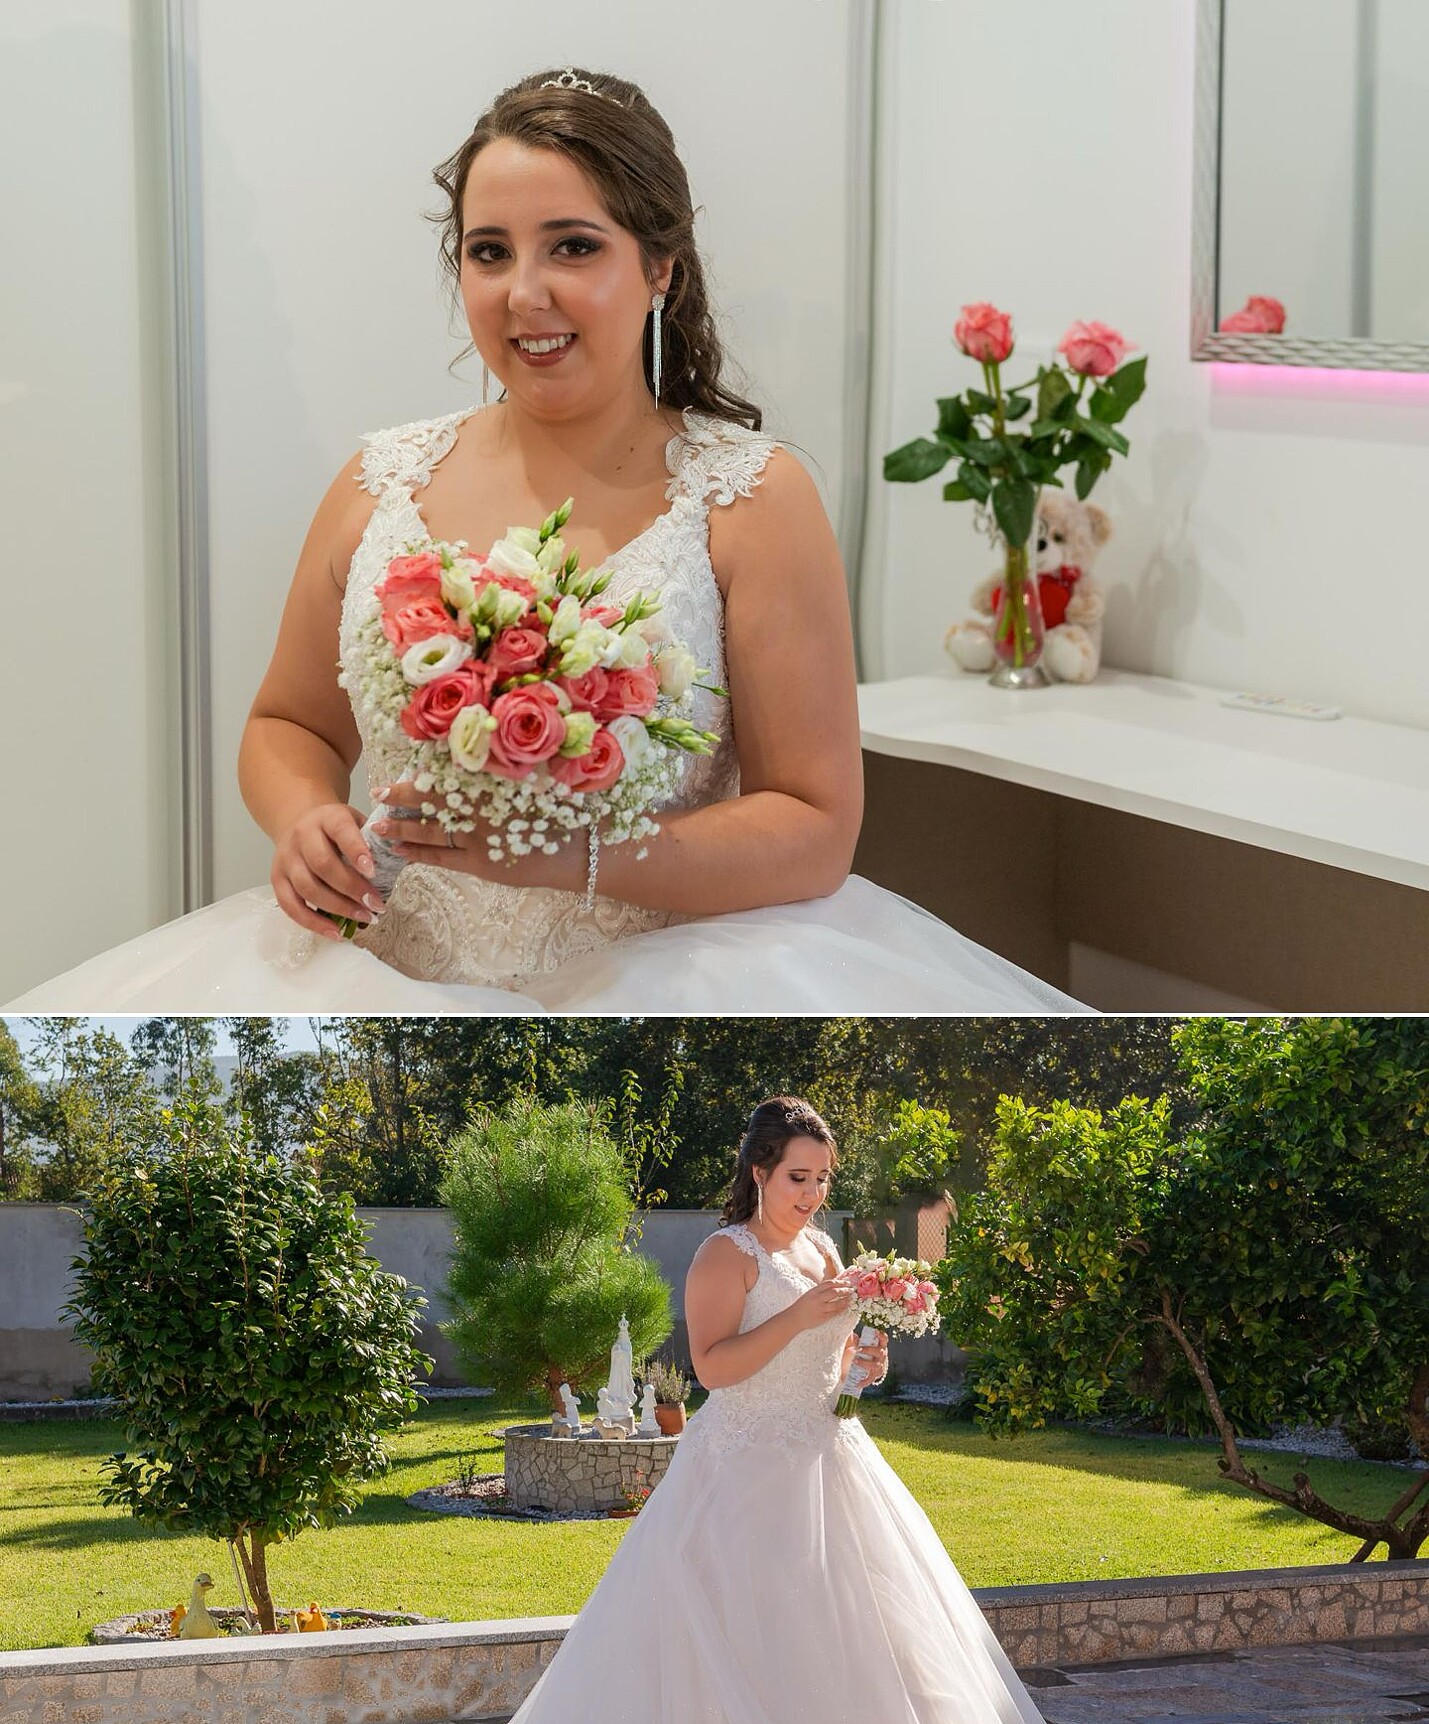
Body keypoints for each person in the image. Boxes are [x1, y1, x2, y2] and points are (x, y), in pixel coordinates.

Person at [3, 67, 1086, 1016]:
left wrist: (581, 856)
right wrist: (305, 820)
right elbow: (288, 721)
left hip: (659, 978)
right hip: (381, 966)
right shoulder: (378, 482)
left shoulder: (750, 498)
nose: (526, 295)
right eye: (490, 252)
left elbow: (813, 827)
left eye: (573, 246)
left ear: (660, 267)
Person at [243, 1096, 1134, 1724]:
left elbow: (832, 1371)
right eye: (797, 1176)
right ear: (759, 1172)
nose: (812, 1193)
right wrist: (803, 1315)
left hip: (828, 1466)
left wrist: (863, 1360)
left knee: (851, 1655)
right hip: (741, 1481)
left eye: (823, 1178)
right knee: (729, 1653)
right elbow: (712, 1369)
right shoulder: (725, 1254)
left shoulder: (824, 1249)